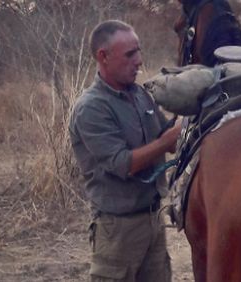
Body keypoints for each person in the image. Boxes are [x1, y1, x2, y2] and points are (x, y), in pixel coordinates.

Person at [69, 20, 180, 282]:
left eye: (139, 51)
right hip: (118, 230)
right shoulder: (91, 108)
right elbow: (123, 164)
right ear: (103, 57)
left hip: (153, 220)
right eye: (130, 54)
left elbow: (170, 138)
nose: (139, 60)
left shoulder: (141, 95)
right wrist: (166, 141)